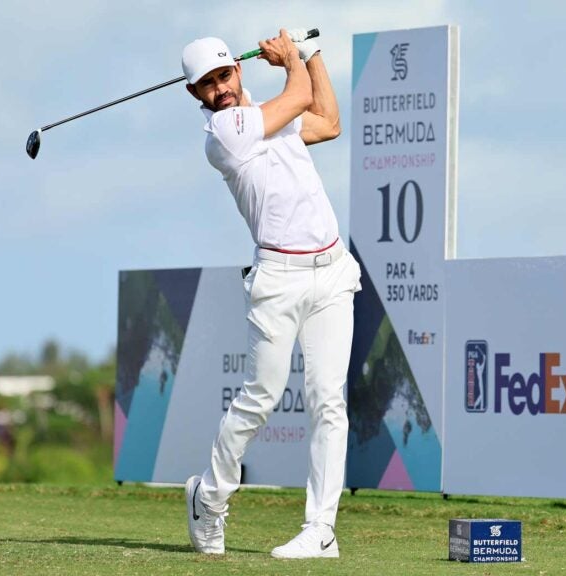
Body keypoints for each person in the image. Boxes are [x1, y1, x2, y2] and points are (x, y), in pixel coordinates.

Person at [180, 28, 360, 560]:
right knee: (261, 397)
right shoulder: (227, 134)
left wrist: (312, 53)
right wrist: (291, 60)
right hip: (278, 279)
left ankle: (321, 530)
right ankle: (209, 500)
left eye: (224, 75)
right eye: (207, 84)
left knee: (330, 401)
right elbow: (300, 96)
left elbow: (327, 121)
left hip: (330, 272)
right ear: (196, 95)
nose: (219, 88)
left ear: (239, 69)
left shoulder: (269, 114)